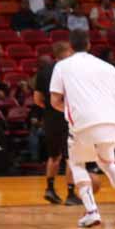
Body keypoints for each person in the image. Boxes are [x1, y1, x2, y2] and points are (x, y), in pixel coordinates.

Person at [49, 30, 115, 229]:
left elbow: (54, 100)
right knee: (108, 163)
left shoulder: (62, 66)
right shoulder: (107, 66)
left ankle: (91, 212)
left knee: (76, 163)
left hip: (83, 122)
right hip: (110, 121)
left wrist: (74, 108)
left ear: (71, 46)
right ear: (89, 45)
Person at [35, 42, 72, 205]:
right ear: (68, 51)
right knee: (71, 158)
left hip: (50, 118)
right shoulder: (70, 70)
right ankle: (71, 194)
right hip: (67, 117)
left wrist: (50, 108)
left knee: (54, 156)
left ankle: (49, 189)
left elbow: (37, 99)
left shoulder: (44, 71)